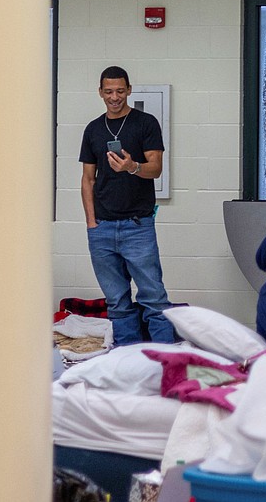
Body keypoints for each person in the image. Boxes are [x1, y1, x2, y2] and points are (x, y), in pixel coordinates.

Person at [79, 66, 175, 345]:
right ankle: (127, 363)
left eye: (120, 91)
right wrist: (91, 223)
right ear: (100, 93)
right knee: (117, 303)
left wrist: (133, 167)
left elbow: (155, 168)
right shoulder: (93, 129)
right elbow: (87, 179)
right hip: (102, 228)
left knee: (153, 298)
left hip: (138, 225)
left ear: (129, 90)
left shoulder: (146, 123)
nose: (114, 97)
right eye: (108, 92)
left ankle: (165, 360)